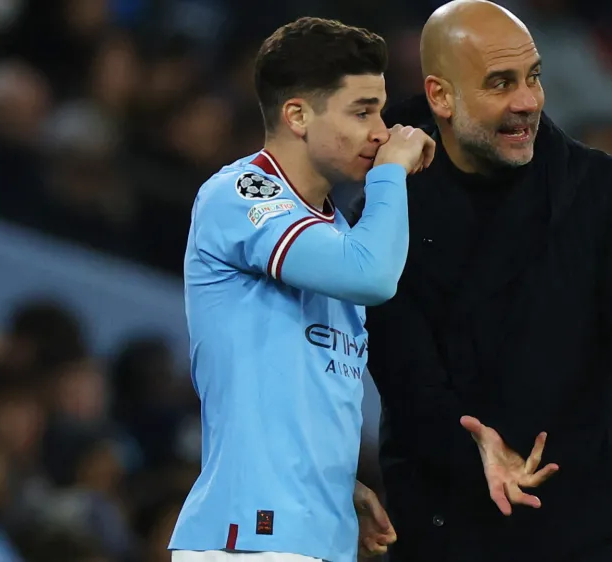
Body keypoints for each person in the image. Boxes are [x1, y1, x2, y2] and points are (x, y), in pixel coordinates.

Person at [365, 2, 612, 561]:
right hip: (442, 526)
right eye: (501, 83)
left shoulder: (599, 188)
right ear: (441, 96)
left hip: (582, 529)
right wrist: (471, 448)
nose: (528, 101)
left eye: (534, 77)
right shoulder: (386, 195)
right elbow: (405, 374)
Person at [170, 17, 436, 562]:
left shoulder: (335, 232)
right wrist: (390, 176)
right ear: (297, 115)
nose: (381, 132)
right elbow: (373, 277)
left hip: (311, 536)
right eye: (362, 111)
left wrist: (334, 491)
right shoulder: (240, 193)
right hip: (249, 539)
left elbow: (304, 396)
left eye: (380, 111)